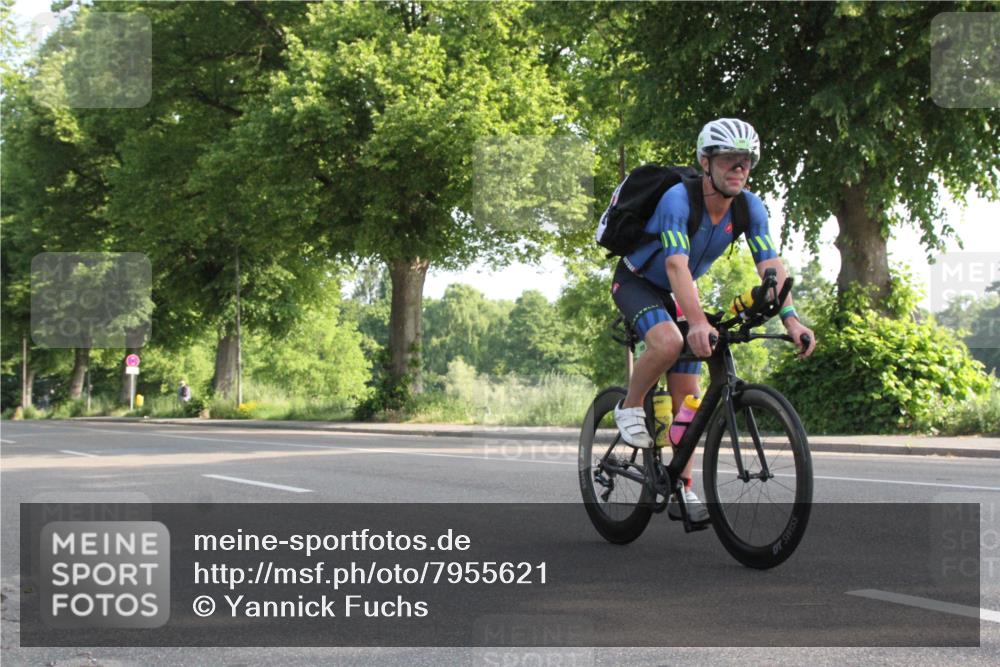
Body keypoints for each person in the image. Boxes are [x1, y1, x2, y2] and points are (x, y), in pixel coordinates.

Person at [610, 118, 817, 522]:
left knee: (688, 401)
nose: (738, 168)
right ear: (706, 162)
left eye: (746, 162)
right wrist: (698, 320)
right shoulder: (678, 200)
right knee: (669, 342)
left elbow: (770, 263)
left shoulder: (749, 207)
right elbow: (675, 263)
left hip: (678, 291)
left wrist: (792, 320)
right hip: (637, 282)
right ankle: (630, 406)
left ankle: (681, 488)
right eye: (729, 160)